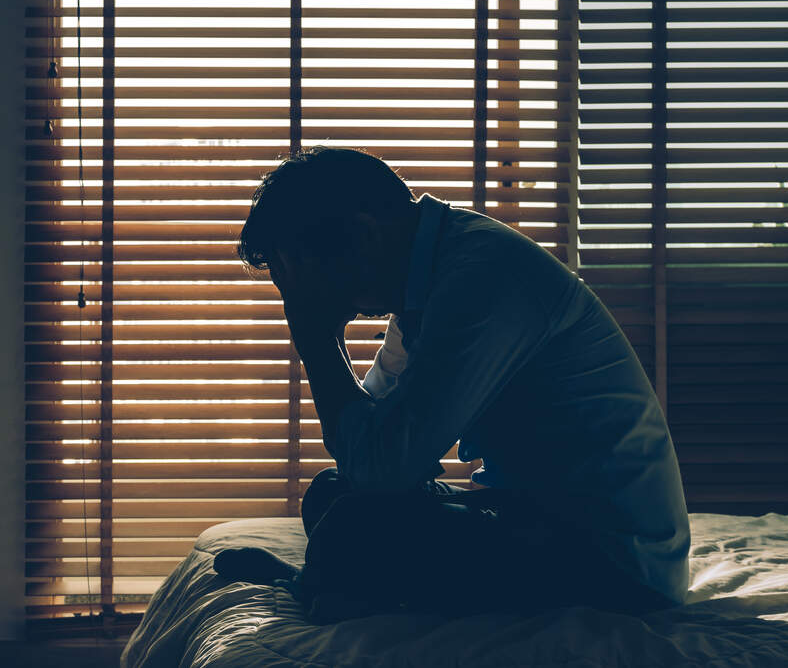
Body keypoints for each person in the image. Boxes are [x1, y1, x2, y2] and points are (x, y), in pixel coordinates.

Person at [212, 146, 691, 624]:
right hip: (534, 517)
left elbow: (383, 468)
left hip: (614, 565)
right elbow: (365, 447)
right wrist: (324, 341)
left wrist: (315, 339)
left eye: (305, 273)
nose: (304, 294)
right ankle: (329, 586)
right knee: (330, 493)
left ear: (362, 234)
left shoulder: (484, 278)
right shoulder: (426, 282)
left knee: (354, 525)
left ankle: (319, 587)